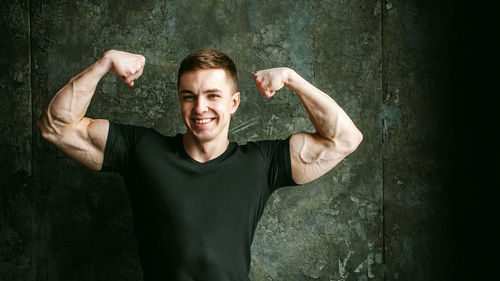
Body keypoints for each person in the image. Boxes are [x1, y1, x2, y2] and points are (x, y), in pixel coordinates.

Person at [36, 49, 363, 280]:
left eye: (213, 95)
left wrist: (293, 79)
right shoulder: (142, 150)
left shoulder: (261, 163)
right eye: (189, 96)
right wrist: (105, 62)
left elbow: (344, 139)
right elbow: (56, 126)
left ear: (234, 102)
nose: (200, 107)